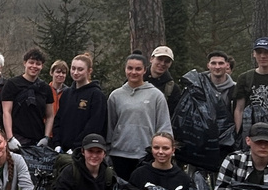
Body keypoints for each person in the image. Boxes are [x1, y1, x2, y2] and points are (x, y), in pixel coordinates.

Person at [106, 53, 172, 181]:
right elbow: (110, 126)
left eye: (138, 69)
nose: (133, 72)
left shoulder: (156, 95)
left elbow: (164, 127)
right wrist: (107, 151)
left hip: (145, 155)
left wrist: (162, 152)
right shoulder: (115, 96)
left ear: (144, 70)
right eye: (130, 68)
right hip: (119, 154)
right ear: (125, 69)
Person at [51, 53, 107, 152]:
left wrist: (77, 147)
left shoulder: (96, 95)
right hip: (62, 150)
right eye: (73, 68)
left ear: (89, 71)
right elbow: (58, 120)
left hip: (83, 151)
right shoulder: (66, 93)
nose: (75, 72)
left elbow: (94, 125)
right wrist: (57, 143)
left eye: (80, 69)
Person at [0, 47, 54, 150]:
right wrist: (10, 138)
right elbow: (6, 111)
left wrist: (46, 137)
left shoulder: (45, 88)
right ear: (25, 63)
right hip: (17, 138)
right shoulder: (12, 84)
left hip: (38, 140)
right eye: (31, 62)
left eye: (38, 64)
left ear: (42, 66)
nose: (34, 66)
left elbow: (50, 115)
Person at [146, 46, 183, 116]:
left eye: (167, 61)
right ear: (151, 59)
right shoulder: (136, 79)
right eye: (159, 59)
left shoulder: (173, 89)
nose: (162, 63)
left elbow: (173, 116)